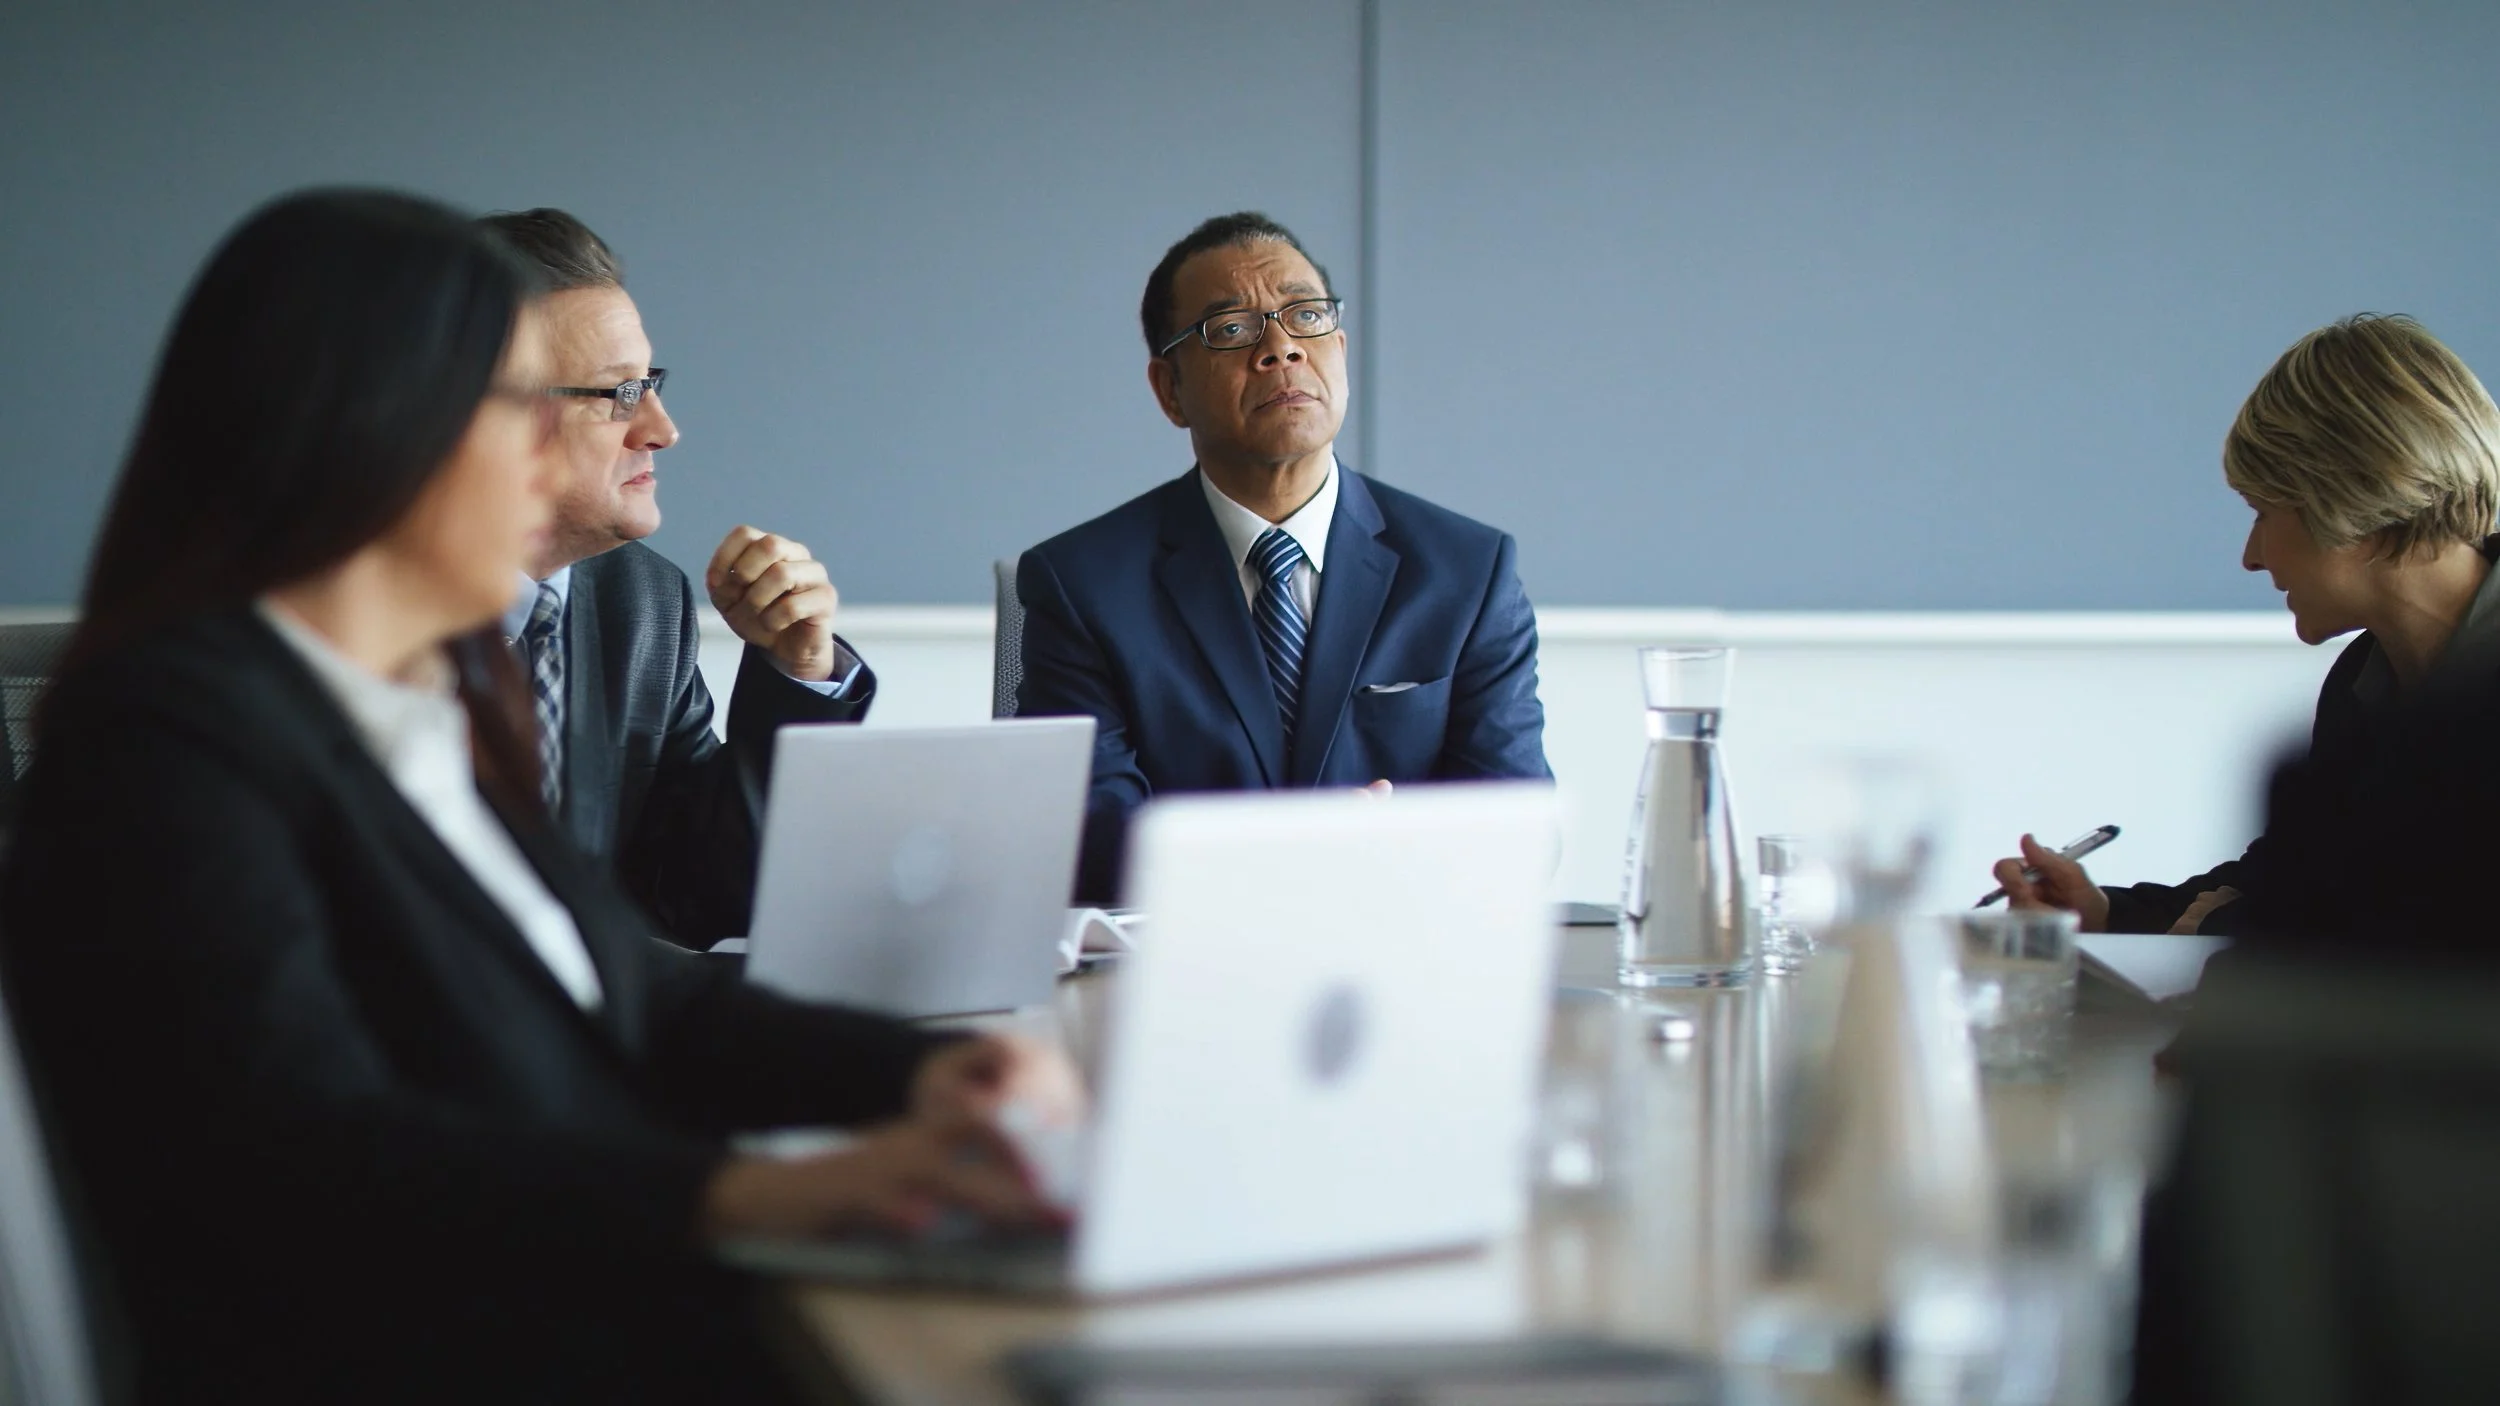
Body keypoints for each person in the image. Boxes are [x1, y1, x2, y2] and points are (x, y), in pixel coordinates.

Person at [0, 189, 1068, 1403]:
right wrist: (764, 1195)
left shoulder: (418, 702)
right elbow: (300, 1149)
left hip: (583, 1294)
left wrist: (920, 1073)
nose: (641, 432)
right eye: (514, 406)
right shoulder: (163, 741)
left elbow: (629, 982)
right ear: (364, 428)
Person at [1015, 212, 1551, 900]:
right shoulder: (1082, 585)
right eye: (1232, 330)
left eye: (1306, 316)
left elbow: (1516, 825)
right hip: (1181, 972)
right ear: (1169, 390)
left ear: (1340, 348)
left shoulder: (1467, 571)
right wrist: (1292, 856)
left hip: (1400, 958)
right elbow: (1089, 836)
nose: (1282, 349)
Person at [1992, 313, 2500, 936]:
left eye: (2263, 513)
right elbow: (2296, 877)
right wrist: (2103, 915)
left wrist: (2251, 926)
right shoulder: (2363, 681)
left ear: (2351, 497)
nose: (2251, 556)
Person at [474, 208, 871, 948]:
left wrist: (799, 669)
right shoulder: (365, 619)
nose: (662, 428)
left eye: (649, 382)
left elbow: (699, 895)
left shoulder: (642, 600)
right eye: (619, 392)